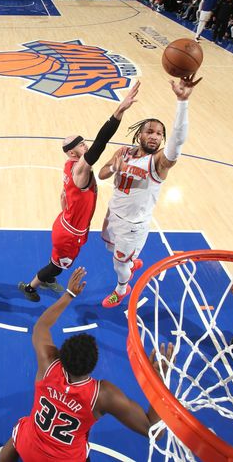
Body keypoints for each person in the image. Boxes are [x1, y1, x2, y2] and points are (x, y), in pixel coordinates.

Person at [0, 267, 172, 462]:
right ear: (93, 365)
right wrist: (160, 382)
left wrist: (69, 294)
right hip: (66, 459)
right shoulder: (103, 395)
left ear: (60, 355)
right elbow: (152, 429)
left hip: (30, 448)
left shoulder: (48, 363)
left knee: (20, 433)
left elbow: (41, 326)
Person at [17, 82, 142, 302]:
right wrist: (119, 111)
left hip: (67, 224)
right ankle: (31, 286)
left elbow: (63, 196)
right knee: (57, 267)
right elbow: (101, 143)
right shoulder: (80, 169)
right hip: (70, 234)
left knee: (57, 260)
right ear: (73, 151)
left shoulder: (68, 166)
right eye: (82, 145)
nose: (87, 146)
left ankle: (46, 277)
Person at [98, 75, 201, 308]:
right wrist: (115, 166)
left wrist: (182, 102)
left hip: (133, 225)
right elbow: (102, 174)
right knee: (114, 251)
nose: (155, 136)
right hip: (113, 214)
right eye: (150, 132)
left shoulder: (159, 162)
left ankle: (122, 289)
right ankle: (132, 260)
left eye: (159, 134)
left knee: (118, 265)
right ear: (139, 134)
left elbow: (177, 142)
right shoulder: (123, 152)